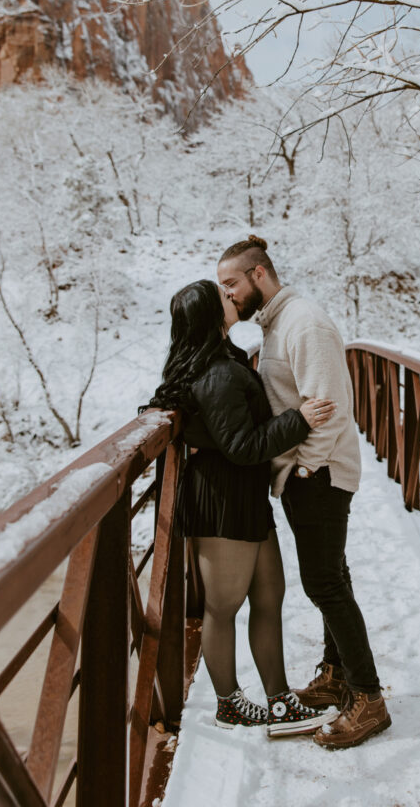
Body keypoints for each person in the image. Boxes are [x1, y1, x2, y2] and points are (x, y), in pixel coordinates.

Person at [217, 237, 391, 750]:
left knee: (323, 584)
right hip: (306, 473)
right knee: (331, 574)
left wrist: (307, 470)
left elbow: (328, 403)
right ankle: (337, 675)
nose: (227, 295)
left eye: (231, 284)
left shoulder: (304, 322)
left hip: (320, 475)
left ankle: (368, 699)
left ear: (259, 276)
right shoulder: (277, 323)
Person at [146, 279, 339, 736]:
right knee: (224, 606)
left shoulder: (226, 359)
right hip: (223, 498)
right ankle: (229, 703)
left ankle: (279, 702)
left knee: (270, 594)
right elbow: (241, 446)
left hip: (244, 495)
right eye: (224, 298)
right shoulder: (216, 375)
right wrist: (300, 420)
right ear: (211, 316)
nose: (233, 299)